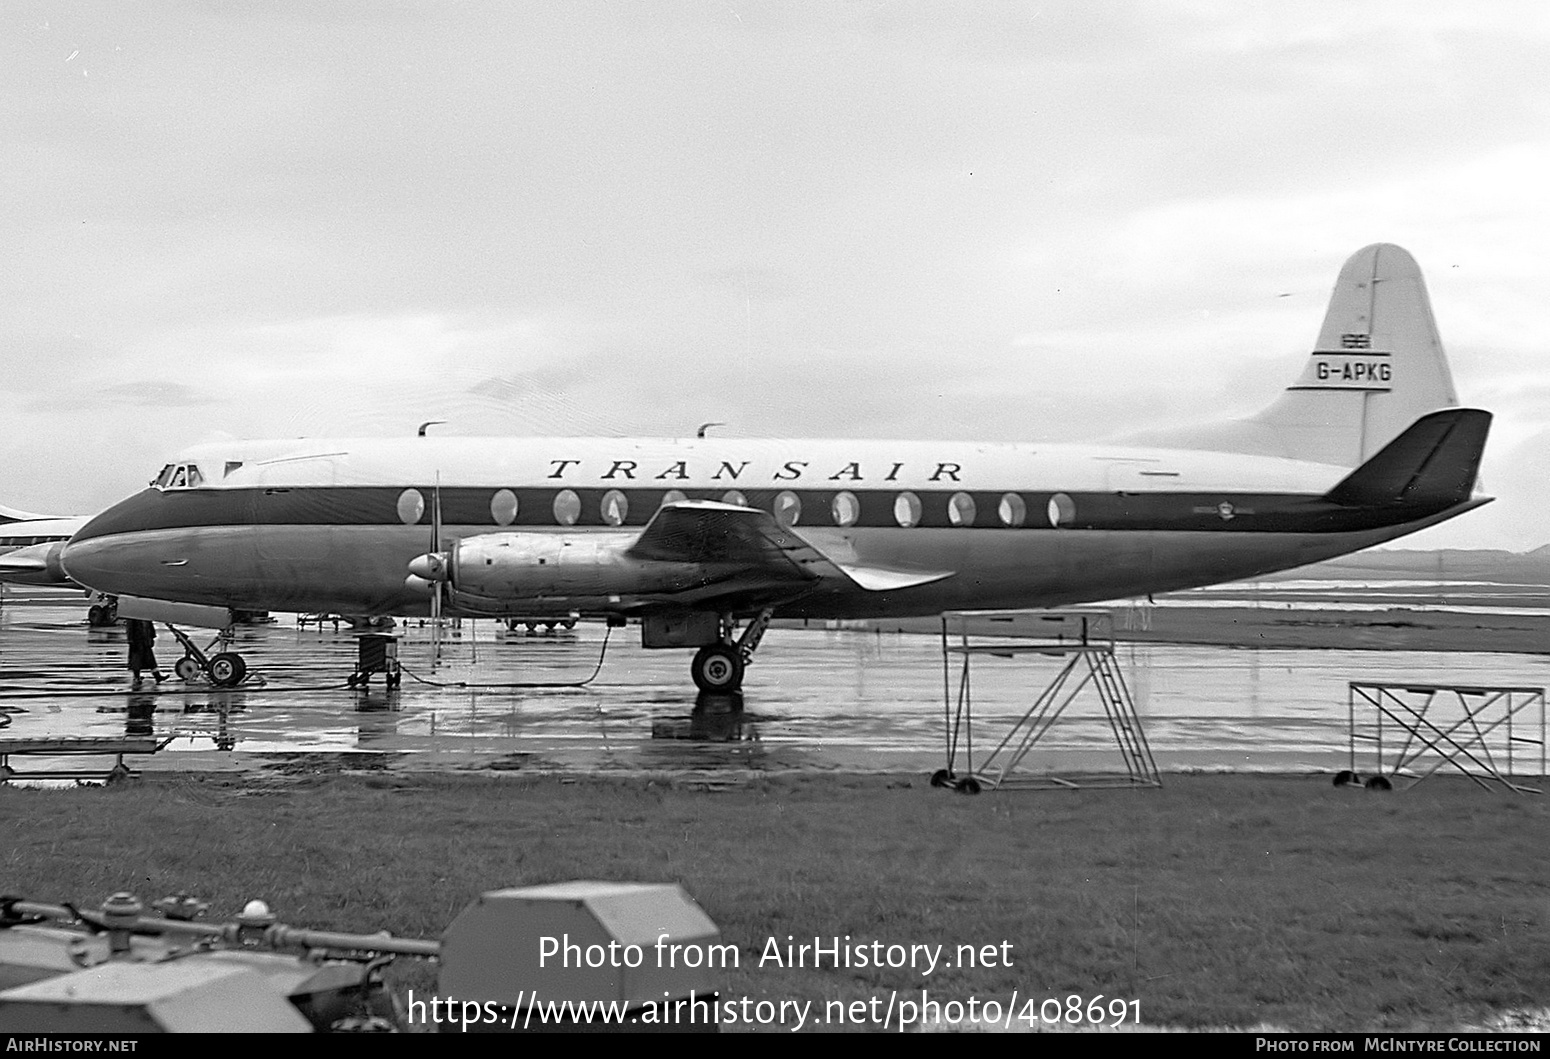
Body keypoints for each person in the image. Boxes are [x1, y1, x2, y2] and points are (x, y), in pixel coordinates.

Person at [125, 618, 165, 689]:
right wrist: (131, 640)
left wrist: (152, 637)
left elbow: (150, 625)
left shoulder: (144, 614)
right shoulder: (132, 615)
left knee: (150, 660)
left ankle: (157, 676)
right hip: (137, 641)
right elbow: (130, 628)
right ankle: (137, 677)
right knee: (136, 660)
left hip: (145, 640)